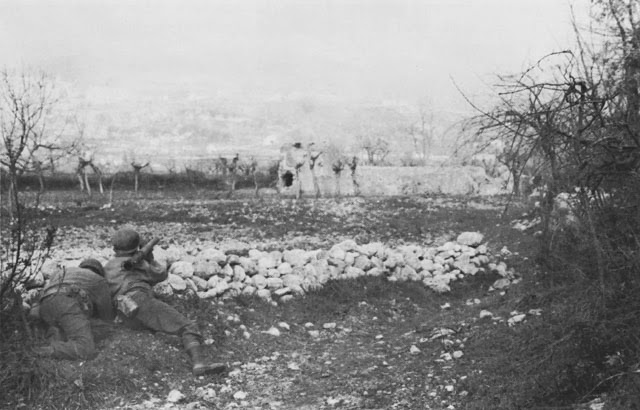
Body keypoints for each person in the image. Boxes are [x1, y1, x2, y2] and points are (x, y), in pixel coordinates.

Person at [104, 228, 226, 376]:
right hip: (140, 302)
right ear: (135, 246)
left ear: (114, 247)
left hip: (124, 311)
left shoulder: (109, 266)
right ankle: (199, 364)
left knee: (159, 325)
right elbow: (161, 275)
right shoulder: (140, 264)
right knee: (188, 326)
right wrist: (149, 258)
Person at [32, 259, 114, 360]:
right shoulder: (99, 280)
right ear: (100, 272)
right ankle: (45, 351)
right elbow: (107, 316)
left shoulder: (62, 272)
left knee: (69, 323)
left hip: (45, 303)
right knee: (85, 348)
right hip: (68, 304)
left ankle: (57, 333)